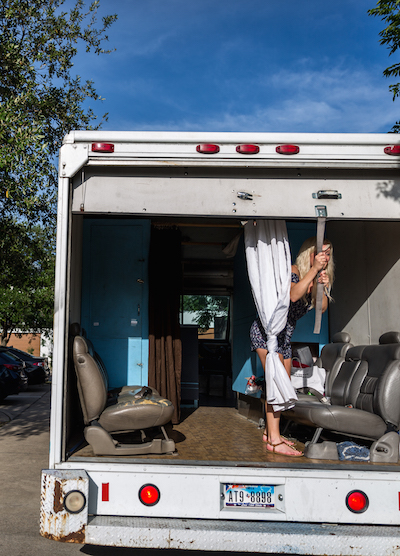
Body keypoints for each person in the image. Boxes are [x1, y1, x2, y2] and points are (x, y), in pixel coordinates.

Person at [250, 237, 334, 457]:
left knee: (282, 385)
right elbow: (293, 294)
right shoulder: (294, 270)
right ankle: (275, 442)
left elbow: (321, 308)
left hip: (284, 338)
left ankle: (270, 433)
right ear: (310, 253)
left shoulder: (316, 277)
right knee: (275, 385)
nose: (325, 257)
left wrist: (321, 285)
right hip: (267, 333)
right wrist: (313, 271)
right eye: (321, 252)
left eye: (328, 253)